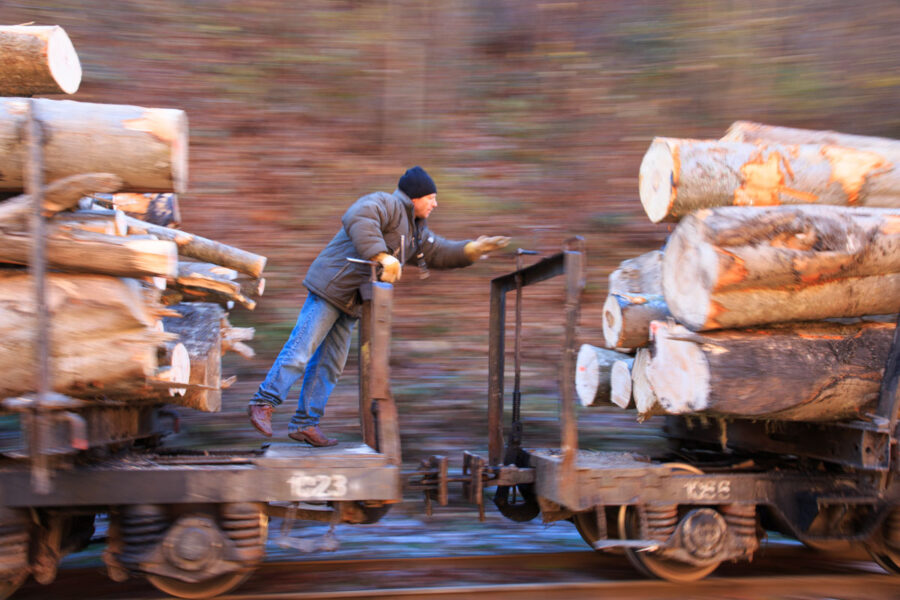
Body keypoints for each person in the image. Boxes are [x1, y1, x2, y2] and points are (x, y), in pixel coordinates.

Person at [247, 166, 510, 446]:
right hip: (331, 287)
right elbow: (359, 216)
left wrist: (472, 250)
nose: (436, 204)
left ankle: (304, 423)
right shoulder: (385, 203)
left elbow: (439, 251)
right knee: (301, 349)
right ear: (415, 197)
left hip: (351, 302)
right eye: (431, 197)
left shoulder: (415, 231)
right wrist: (382, 255)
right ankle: (263, 403)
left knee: (329, 366)